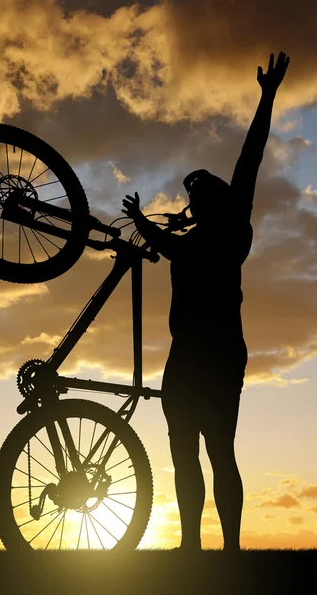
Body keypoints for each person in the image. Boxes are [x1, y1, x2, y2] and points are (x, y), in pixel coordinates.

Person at [122, 52, 290, 553]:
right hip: (189, 353)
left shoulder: (232, 228)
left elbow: (251, 158)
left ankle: (229, 547)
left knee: (217, 450)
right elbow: (171, 243)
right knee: (185, 453)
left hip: (215, 353)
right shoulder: (198, 234)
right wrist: (147, 225)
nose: (196, 202)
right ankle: (194, 546)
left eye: (202, 194)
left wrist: (268, 97)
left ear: (219, 198)